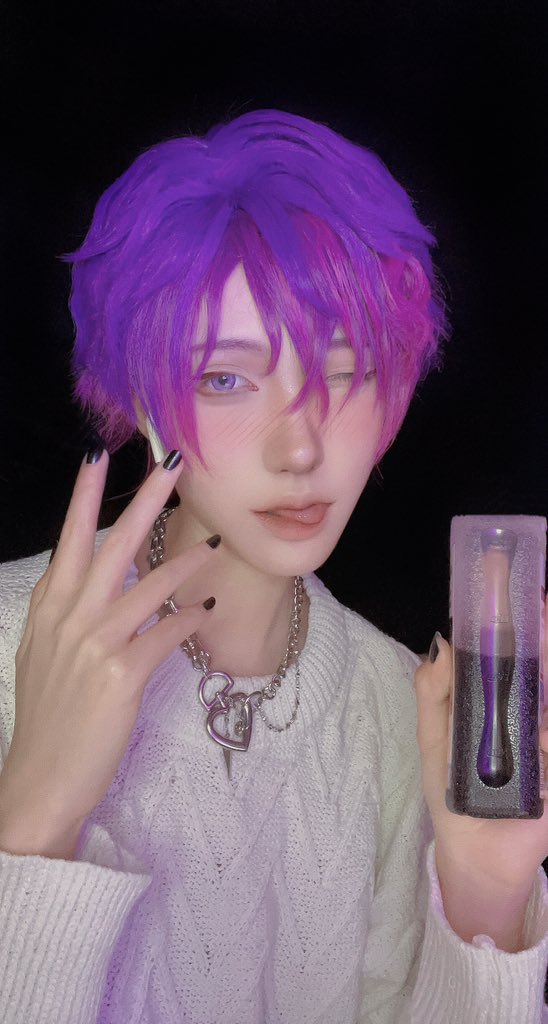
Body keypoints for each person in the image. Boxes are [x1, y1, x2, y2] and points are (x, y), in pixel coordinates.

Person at [0, 109, 547, 1024]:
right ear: (139, 398)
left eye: (347, 371)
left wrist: (487, 898)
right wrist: (33, 819)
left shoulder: (396, 709)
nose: (301, 450)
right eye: (226, 378)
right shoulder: (9, 642)